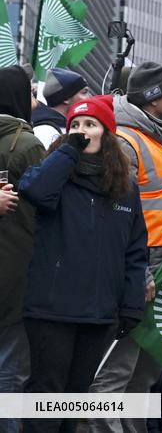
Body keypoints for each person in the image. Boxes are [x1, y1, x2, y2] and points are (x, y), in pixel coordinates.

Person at [18, 99, 146, 433]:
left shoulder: (126, 188)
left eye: (90, 125)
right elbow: (34, 189)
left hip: (99, 312)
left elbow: (135, 252)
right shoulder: (57, 174)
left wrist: (131, 305)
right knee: (45, 401)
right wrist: (68, 150)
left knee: (75, 402)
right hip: (52, 310)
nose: (81, 131)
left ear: (108, 133)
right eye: (75, 125)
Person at [89, 62, 162, 433]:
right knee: (118, 371)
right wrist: (140, 272)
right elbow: (117, 217)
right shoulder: (129, 143)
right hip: (140, 272)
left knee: (144, 374)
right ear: (153, 98)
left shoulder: (160, 138)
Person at [0, 65, 45, 433]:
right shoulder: (27, 145)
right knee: (12, 371)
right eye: (31, 94)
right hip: (17, 270)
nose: (36, 102)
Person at [32, 68, 92, 149]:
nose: (90, 98)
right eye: (84, 92)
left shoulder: (65, 127)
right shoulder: (45, 131)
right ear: (66, 98)